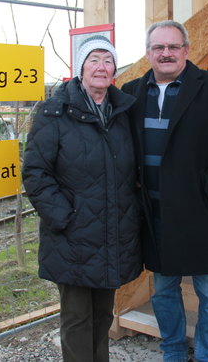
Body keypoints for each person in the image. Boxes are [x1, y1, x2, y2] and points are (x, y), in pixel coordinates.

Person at [121, 21, 208, 362]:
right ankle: (174, 350)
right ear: (148, 53)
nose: (166, 53)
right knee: (163, 290)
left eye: (173, 47)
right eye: (158, 48)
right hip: (155, 213)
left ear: (186, 51)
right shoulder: (132, 93)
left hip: (198, 209)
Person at [22, 35, 142, 362]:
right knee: (77, 320)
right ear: (81, 68)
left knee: (103, 315)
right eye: (94, 60)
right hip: (73, 236)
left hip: (112, 234)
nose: (101, 67)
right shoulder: (55, 112)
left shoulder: (122, 112)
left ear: (115, 69)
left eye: (107, 60)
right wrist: (65, 216)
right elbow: (35, 172)